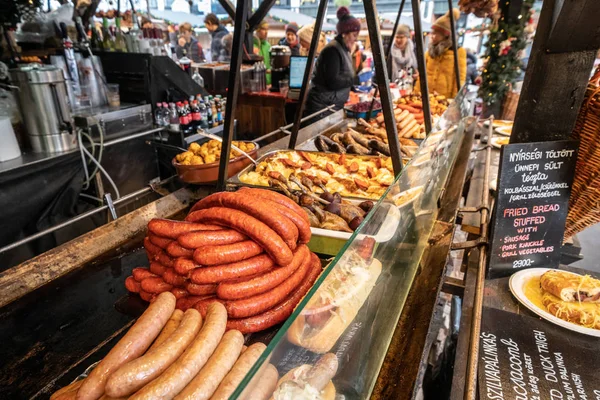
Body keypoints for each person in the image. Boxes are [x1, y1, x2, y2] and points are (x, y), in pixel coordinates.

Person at [304, 7, 361, 116]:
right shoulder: (332, 51)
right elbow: (333, 82)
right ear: (344, 34)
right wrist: (356, 79)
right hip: (321, 107)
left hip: (332, 104)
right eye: (354, 35)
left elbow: (343, 75)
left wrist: (355, 87)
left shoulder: (344, 49)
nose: (355, 39)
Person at [416, 9, 466, 98]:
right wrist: (416, 92)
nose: (433, 37)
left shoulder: (458, 52)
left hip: (444, 99)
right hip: (425, 98)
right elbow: (422, 76)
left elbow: (459, 79)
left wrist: (454, 101)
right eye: (432, 33)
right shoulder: (429, 52)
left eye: (437, 34)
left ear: (446, 35)